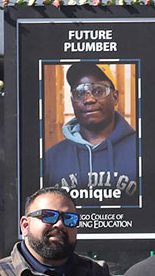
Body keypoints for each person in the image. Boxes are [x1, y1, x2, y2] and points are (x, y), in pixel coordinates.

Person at [42, 62, 140, 206]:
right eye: (80, 93)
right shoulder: (51, 158)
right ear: (72, 101)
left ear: (115, 97)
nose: (88, 99)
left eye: (98, 90)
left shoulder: (141, 151)